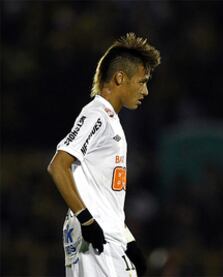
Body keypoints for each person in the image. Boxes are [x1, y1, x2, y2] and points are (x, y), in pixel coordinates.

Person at [47, 33, 161, 277]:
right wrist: (86, 220)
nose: (146, 90)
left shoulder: (111, 121)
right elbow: (58, 166)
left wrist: (128, 240)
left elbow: (104, 195)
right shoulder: (96, 114)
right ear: (120, 78)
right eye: (142, 81)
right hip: (96, 237)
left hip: (110, 236)